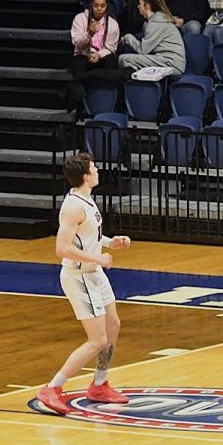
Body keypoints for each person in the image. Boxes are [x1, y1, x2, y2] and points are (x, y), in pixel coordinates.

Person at [35, 153, 133, 415]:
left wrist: (111, 242)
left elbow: (88, 235)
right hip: (79, 276)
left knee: (113, 324)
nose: (98, 169)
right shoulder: (73, 206)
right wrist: (98, 257)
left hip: (94, 272)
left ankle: (100, 384)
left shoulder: (86, 199)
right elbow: (62, 248)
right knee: (97, 340)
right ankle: (52, 388)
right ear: (86, 176)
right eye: (94, 167)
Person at [66, 0, 120, 110]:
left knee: (112, 62)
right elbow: (77, 43)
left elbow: (111, 48)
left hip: (100, 55)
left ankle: (77, 82)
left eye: (102, 6)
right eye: (96, 6)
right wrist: (89, 33)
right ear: (91, 6)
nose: (99, 9)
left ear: (107, 7)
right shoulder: (80, 18)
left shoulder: (113, 24)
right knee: (78, 63)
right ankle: (79, 96)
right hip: (83, 53)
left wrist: (99, 55)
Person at [119, 0, 186, 74]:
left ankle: (137, 84)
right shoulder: (156, 20)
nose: (138, 7)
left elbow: (143, 50)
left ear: (146, 6)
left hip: (171, 63)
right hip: (166, 60)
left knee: (124, 59)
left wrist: (128, 37)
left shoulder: (155, 23)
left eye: (140, 4)